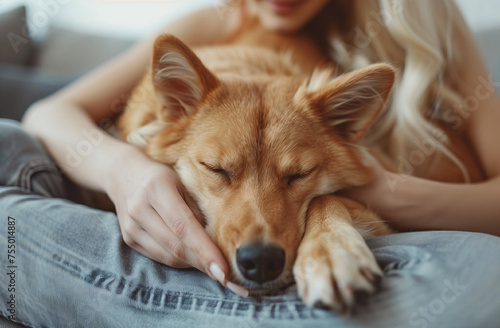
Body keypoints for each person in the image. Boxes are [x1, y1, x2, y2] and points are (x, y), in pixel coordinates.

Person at [1, 0, 499, 327]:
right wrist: (126, 172)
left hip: (418, 248)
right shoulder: (218, 23)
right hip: (95, 138)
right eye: (220, 171)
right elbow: (50, 114)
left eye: (298, 173)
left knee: (482, 274)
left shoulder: (423, 24)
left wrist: (356, 197)